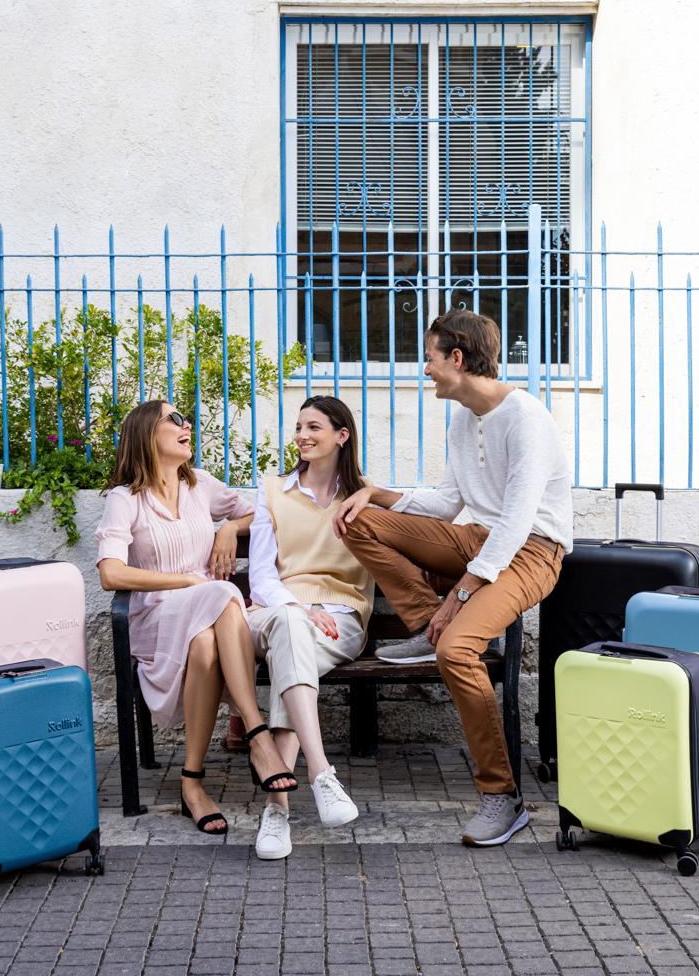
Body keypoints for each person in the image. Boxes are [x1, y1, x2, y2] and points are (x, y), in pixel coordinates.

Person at [335, 310, 572, 848]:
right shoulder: (463, 421)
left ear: (457, 358)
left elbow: (516, 521)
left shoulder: (526, 418)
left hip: (532, 552)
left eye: (430, 357)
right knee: (359, 521)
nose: (425, 369)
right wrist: (373, 493)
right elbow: (446, 503)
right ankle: (425, 625)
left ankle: (502, 795)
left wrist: (458, 598)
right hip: (478, 540)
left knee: (458, 650)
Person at [95, 399, 299, 837]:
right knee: (223, 592)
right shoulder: (124, 499)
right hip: (156, 619)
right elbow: (111, 573)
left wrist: (228, 528)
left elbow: (264, 510)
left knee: (206, 644)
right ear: (147, 434)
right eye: (174, 419)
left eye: (185, 417)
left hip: (207, 619)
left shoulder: (200, 485)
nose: (185, 424)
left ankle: (192, 781)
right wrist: (185, 581)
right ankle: (257, 733)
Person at [243, 395, 374, 860]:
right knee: (289, 625)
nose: (301, 436)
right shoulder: (272, 491)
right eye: (299, 427)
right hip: (275, 612)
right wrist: (297, 607)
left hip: (340, 619)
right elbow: (262, 577)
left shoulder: (362, 497)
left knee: (291, 655)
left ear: (342, 436)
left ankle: (276, 811)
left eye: (313, 427)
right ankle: (320, 773)